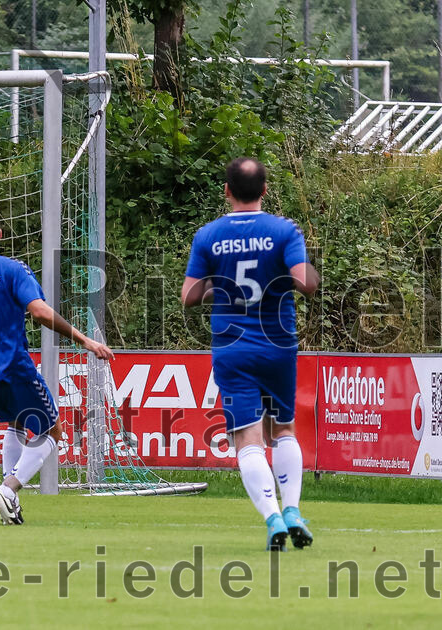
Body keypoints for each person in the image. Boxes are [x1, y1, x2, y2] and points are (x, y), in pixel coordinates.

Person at [0, 205, 114, 524]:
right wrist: (85, 340)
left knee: (17, 423)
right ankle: (8, 489)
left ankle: (9, 501)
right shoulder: (13, 269)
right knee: (52, 430)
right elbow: (41, 312)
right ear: (0, 234)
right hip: (14, 366)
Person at [181, 158, 319, 550]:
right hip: (278, 344)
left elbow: (189, 297)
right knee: (285, 429)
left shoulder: (208, 235)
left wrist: (216, 289)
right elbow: (304, 283)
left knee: (248, 440)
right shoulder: (283, 230)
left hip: (232, 348)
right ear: (265, 190)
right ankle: (292, 509)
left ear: (226, 191)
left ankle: (273, 517)